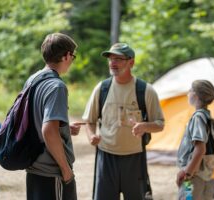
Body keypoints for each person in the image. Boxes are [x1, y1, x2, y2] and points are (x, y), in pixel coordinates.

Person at [82, 43, 164, 200]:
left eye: (118, 59)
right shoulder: (102, 89)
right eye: (111, 59)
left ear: (131, 62)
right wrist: (91, 135)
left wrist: (145, 126)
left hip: (135, 158)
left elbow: (160, 124)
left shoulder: (145, 90)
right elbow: (90, 120)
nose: (113, 63)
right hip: (106, 157)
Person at [25, 33, 80, 200]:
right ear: (67, 55)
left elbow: (35, 119)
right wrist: (66, 170)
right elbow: (48, 131)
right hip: (52, 172)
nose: (72, 61)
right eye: (73, 56)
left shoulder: (33, 80)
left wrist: (63, 128)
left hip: (34, 167)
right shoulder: (56, 86)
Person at [176, 80, 214, 200]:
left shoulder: (198, 118)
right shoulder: (207, 117)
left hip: (192, 180)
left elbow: (200, 149)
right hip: (206, 178)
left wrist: (187, 173)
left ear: (196, 95)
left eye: (190, 90)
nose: (188, 93)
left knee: (187, 198)